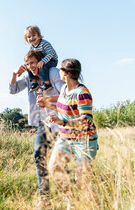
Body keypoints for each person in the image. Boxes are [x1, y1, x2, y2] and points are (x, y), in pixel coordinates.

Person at [37, 58, 98, 207]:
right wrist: (48, 105)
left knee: (81, 182)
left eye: (61, 71)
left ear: (68, 73)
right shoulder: (64, 89)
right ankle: (70, 200)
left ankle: (97, 205)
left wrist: (62, 122)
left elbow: (86, 121)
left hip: (85, 140)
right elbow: (64, 110)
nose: (59, 73)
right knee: (54, 167)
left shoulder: (82, 93)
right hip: (65, 138)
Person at [9, 50, 64, 209]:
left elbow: (66, 94)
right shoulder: (28, 76)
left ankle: (71, 196)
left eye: (33, 63)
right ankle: (45, 199)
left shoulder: (53, 72)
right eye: (27, 64)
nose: (30, 66)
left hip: (61, 120)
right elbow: (12, 90)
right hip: (44, 123)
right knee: (38, 155)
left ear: (40, 62)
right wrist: (14, 74)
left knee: (63, 161)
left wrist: (48, 99)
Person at [24, 25, 58, 93]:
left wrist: (43, 61)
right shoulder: (31, 48)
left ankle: (47, 83)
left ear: (38, 35)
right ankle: (34, 82)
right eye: (29, 37)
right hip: (41, 60)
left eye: (34, 35)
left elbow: (50, 54)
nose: (32, 38)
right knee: (28, 67)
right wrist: (26, 65)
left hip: (52, 60)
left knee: (42, 66)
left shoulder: (44, 43)